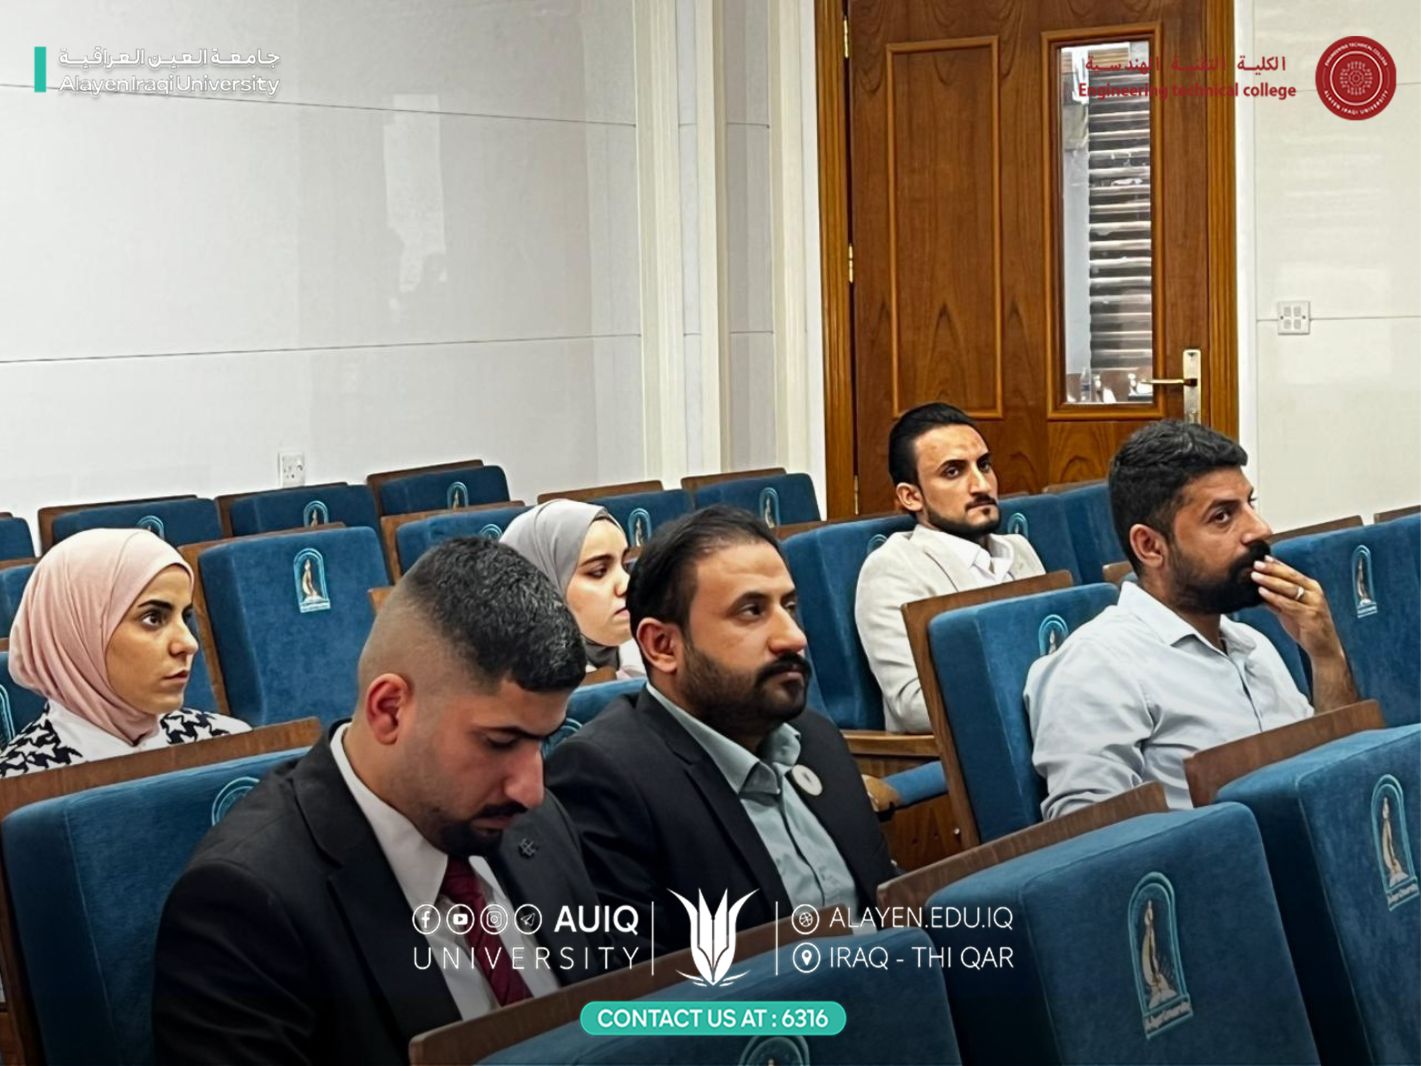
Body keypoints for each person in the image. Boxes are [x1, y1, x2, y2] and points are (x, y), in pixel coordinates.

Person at [154, 538, 610, 1065]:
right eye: (499, 742)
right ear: (390, 709)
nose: (531, 789)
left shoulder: (535, 821)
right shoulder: (243, 908)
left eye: (542, 741)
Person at [546, 506, 894, 954]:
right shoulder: (605, 780)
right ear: (663, 645)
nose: (793, 637)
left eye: (789, 607)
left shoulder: (816, 738)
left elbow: (883, 904)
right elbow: (648, 986)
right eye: (751, 611)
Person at [1025, 421, 1357, 817]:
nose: (1260, 529)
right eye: (1222, 516)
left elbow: (1335, 781)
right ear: (1150, 546)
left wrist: (1326, 656)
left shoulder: (1254, 644)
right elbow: (1093, 840)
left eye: (1250, 504)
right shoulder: (1097, 665)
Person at [856, 402, 1046, 732]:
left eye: (984, 465)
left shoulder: (1019, 549)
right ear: (911, 496)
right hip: (969, 748)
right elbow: (914, 705)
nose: (982, 485)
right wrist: (1049, 691)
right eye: (953, 472)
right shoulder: (892, 569)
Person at [0, 529, 248, 777]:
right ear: (77, 635)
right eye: (153, 618)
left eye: (185, 617)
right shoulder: (16, 785)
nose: (188, 643)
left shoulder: (229, 744)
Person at [501, 499, 644, 678]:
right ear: (543, 591)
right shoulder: (526, 689)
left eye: (625, 566)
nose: (627, 585)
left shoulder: (656, 658)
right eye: (599, 572)